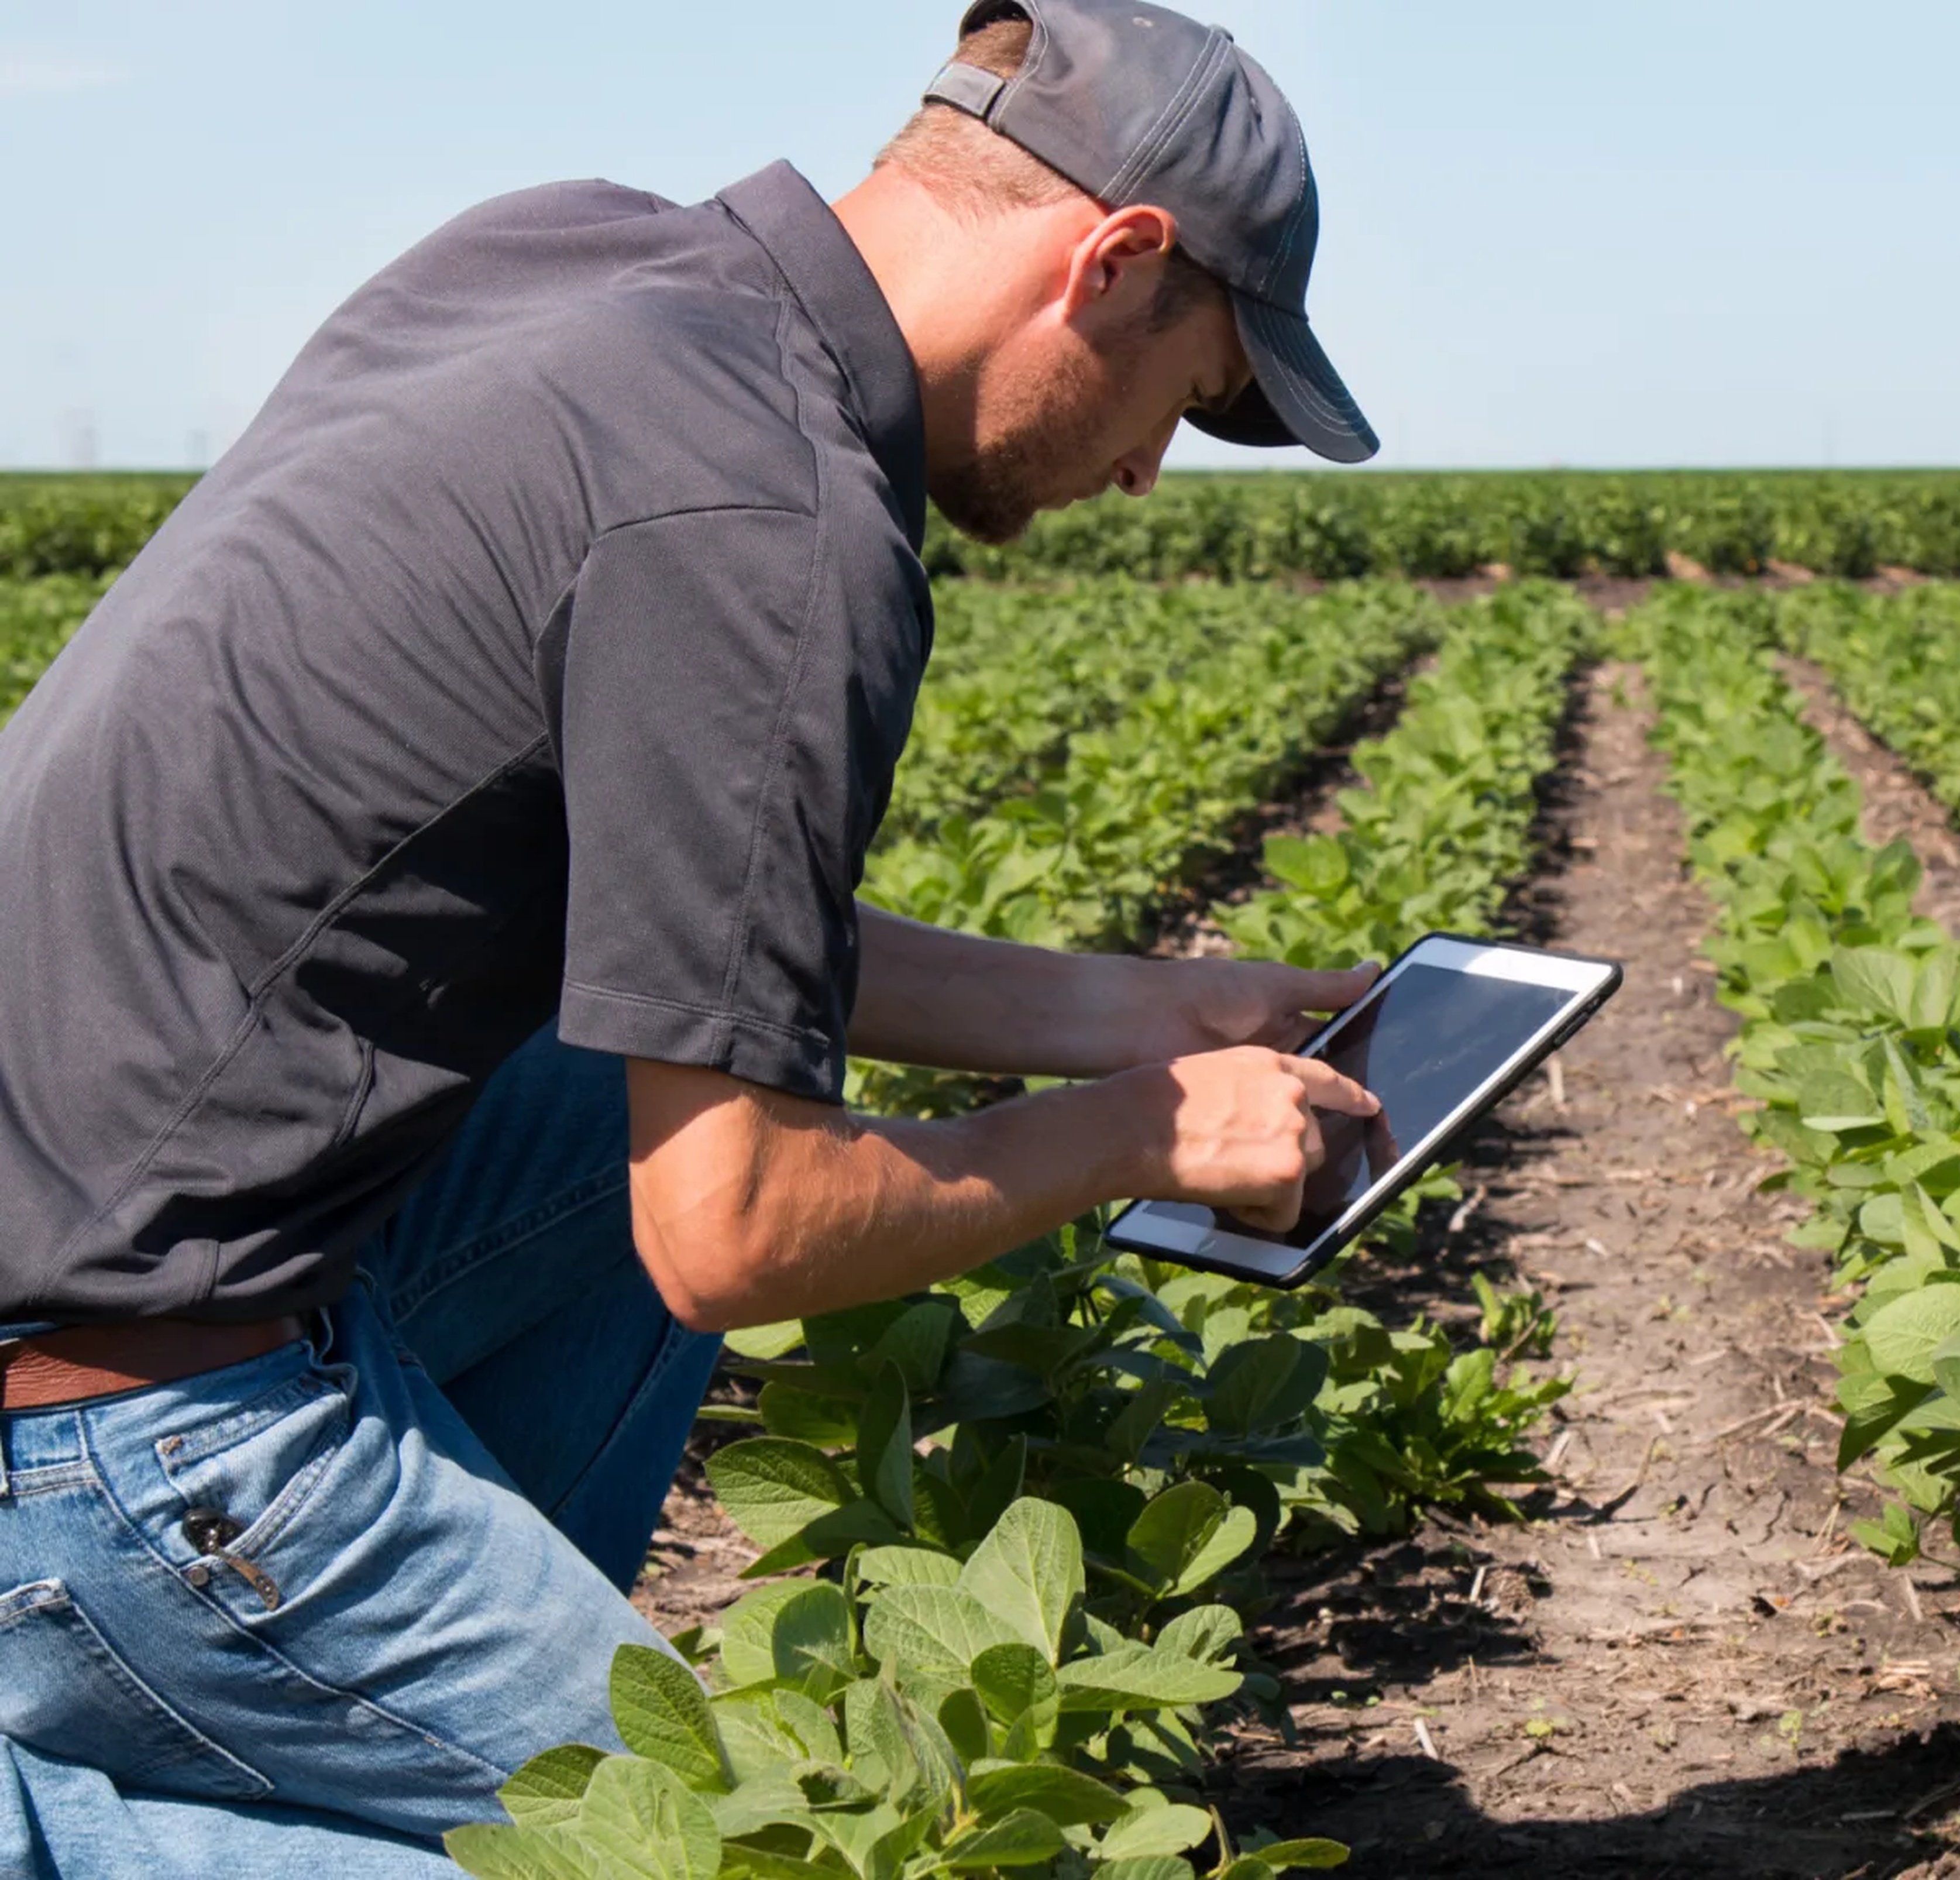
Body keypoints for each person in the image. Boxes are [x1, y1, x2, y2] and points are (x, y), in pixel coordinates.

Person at [0, 5, 1378, 1871]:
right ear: (1115, 260)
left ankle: (358, 1735)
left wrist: (1151, 1014)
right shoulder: (781, 523)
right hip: (122, 1434)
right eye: (1197, 401)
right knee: (755, 1852)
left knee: (602, 1085)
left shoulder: (571, 258)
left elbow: (702, 935)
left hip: (99, 1268)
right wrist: (1141, 1136)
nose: (1147, 477)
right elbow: (734, 1233)